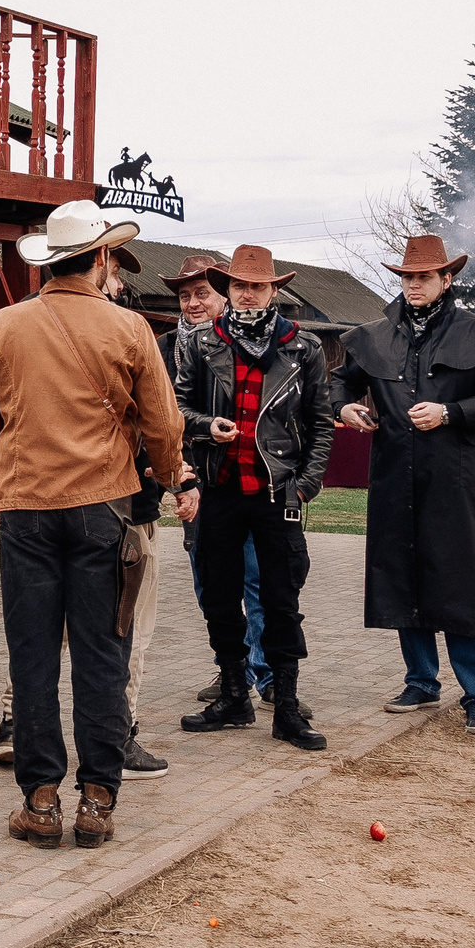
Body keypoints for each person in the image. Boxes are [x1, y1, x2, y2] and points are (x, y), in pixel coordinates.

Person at [0, 200, 188, 849]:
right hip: (106, 509)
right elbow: (166, 425)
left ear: (50, 261)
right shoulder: (130, 328)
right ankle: (98, 801)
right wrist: (167, 478)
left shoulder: (0, 327)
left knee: (32, 657)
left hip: (25, 510)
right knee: (102, 655)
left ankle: (39, 800)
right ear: (104, 258)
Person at [334, 234, 475, 737]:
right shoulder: (374, 336)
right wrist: (347, 407)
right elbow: (337, 383)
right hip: (395, 476)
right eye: (406, 276)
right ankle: (421, 680)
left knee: (459, 583)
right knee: (403, 575)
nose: (413, 284)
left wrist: (451, 412)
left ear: (447, 279)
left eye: (423, 276)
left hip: (456, 480)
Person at [177, 244, 334, 751]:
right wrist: (206, 426)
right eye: (240, 286)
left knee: (281, 600)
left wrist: (306, 482)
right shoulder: (201, 343)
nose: (248, 294)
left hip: (276, 491)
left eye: (258, 286)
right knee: (220, 598)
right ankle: (233, 693)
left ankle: (285, 706)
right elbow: (175, 409)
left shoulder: (302, 347)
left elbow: (320, 423)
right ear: (228, 288)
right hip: (219, 489)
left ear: (274, 290)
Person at [159, 255, 272, 707]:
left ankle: (266, 673)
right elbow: (158, 414)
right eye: (184, 296)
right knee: (209, 581)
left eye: (202, 293)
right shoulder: (162, 347)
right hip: (191, 479)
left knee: (257, 580)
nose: (192, 303)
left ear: (223, 293)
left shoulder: (244, 343)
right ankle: (233, 669)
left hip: (244, 480)